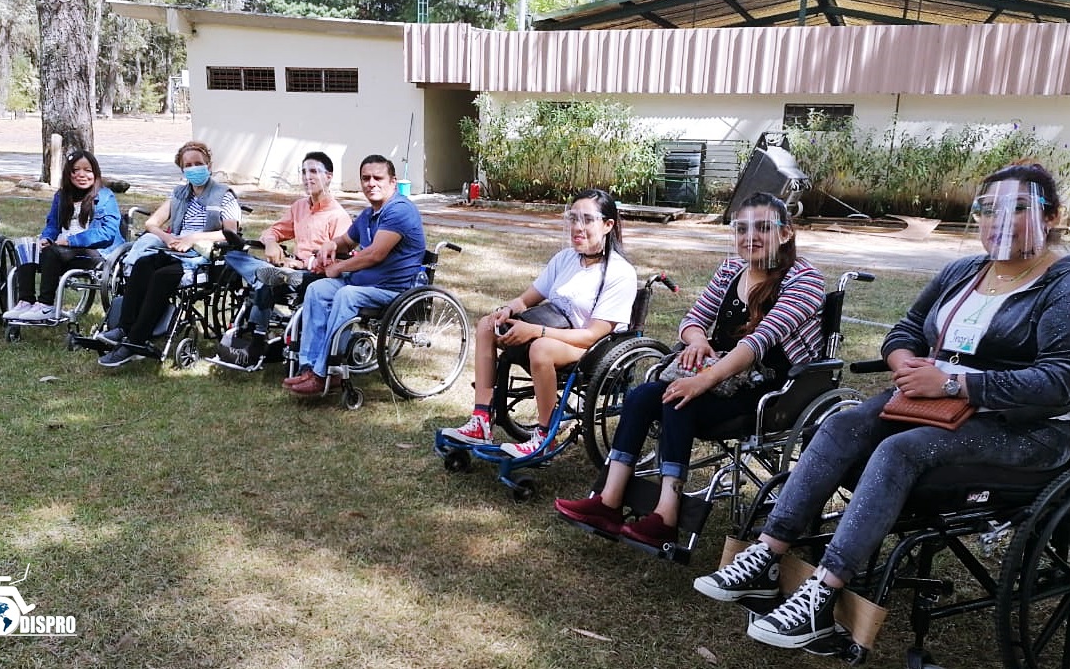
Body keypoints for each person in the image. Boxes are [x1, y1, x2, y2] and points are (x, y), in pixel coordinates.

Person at [693, 162, 1070, 651]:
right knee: (841, 425)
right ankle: (767, 553)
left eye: (1017, 208)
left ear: (1053, 216)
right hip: (934, 405)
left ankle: (822, 595)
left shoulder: (1060, 285)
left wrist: (954, 384)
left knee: (900, 451)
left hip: (1028, 430)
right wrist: (905, 360)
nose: (996, 220)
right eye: (986, 209)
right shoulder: (963, 272)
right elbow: (905, 329)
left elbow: (1059, 381)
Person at [555, 192, 825, 544]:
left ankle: (666, 515)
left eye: (763, 228)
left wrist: (702, 381)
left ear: (785, 234)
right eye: (741, 228)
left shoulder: (805, 280)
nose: (750, 237)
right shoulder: (732, 270)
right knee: (641, 396)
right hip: (719, 377)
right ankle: (609, 500)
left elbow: (758, 342)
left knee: (679, 399)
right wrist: (697, 341)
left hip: (772, 390)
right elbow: (693, 319)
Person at [440, 188, 638, 457]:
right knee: (488, 325)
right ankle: (481, 420)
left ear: (607, 225)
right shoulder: (565, 259)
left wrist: (536, 331)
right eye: (573, 219)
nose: (577, 227)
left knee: (541, 348)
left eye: (587, 220)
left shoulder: (619, 273)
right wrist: (508, 310)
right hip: (554, 331)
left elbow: (593, 335)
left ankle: (546, 435)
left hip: (592, 349)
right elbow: (526, 300)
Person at [283, 154, 425, 395]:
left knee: (346, 295)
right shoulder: (369, 214)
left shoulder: (399, 210)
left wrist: (339, 267)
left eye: (377, 178)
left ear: (393, 181)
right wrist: (331, 245)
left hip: (393, 290)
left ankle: (327, 371)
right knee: (317, 289)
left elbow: (375, 255)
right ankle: (308, 366)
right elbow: (348, 241)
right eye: (365, 178)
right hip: (364, 284)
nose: (371, 183)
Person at [98, 140, 241, 367]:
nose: (194, 168)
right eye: (188, 165)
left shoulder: (224, 195)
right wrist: (167, 237)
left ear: (209, 165)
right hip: (174, 249)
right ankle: (124, 328)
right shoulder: (180, 194)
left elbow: (230, 233)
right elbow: (151, 223)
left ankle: (136, 341)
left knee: (161, 276)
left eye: (199, 163)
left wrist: (193, 238)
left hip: (203, 257)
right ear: (182, 170)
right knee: (143, 265)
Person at [219, 151, 351, 367]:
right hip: (288, 270)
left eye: (314, 171)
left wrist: (298, 264)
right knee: (234, 255)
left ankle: (257, 342)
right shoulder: (299, 207)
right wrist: (271, 242)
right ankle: (264, 274)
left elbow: (335, 264)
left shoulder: (338, 217)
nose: (307, 177)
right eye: (304, 172)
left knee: (267, 278)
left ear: (329, 176)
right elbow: (274, 231)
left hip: (313, 276)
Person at [2, 149, 125, 322]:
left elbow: (107, 233)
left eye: (88, 170)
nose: (82, 175)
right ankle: (26, 301)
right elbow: (53, 224)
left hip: (95, 252)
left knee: (53, 252)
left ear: (95, 173)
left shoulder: (105, 197)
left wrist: (70, 241)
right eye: (76, 170)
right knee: (26, 246)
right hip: (62, 248)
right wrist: (46, 238)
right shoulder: (61, 196)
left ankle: (46, 305)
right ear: (68, 173)